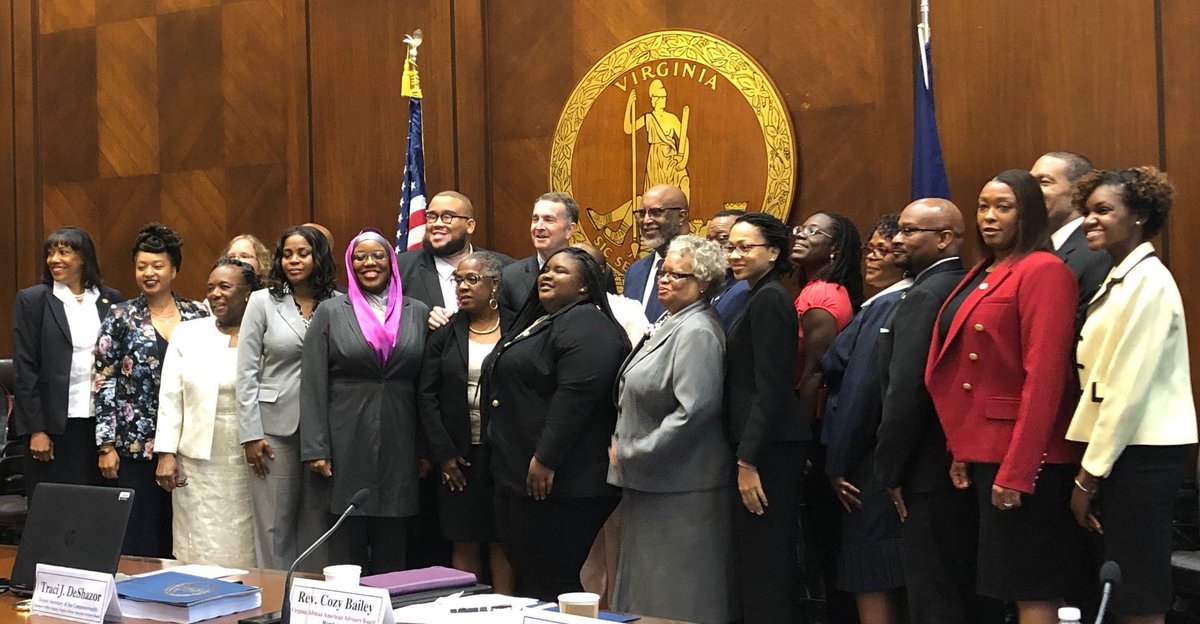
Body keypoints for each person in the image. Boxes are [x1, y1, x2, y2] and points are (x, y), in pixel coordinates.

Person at [926, 170, 1081, 624]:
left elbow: (1045, 375)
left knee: (1030, 586)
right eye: (983, 206)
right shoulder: (985, 270)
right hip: (984, 450)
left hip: (1027, 456)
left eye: (1003, 207)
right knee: (1004, 586)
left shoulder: (1043, 269)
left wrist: (1018, 470)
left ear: (1028, 212)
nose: (989, 217)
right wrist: (962, 448)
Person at [1067, 167, 1197, 623]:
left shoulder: (1149, 282)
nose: (1090, 221)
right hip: (1126, 450)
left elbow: (1124, 389)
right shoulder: (1123, 275)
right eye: (1087, 211)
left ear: (1139, 215)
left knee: (1137, 587)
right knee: (1122, 584)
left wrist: (1088, 475)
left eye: (1104, 210)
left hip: (1141, 452)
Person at [484, 247, 628, 601]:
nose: (546, 275)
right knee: (536, 578)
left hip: (563, 483)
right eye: (545, 270)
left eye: (560, 271)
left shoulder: (587, 323)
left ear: (584, 286)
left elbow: (577, 396)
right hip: (524, 479)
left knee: (557, 581)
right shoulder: (544, 321)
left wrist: (546, 456)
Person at [874, 199, 991, 624]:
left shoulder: (926, 295)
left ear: (945, 239)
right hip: (957, 463)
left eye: (909, 232)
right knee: (963, 590)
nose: (896, 241)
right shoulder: (963, 284)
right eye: (898, 230)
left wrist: (889, 471)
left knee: (935, 597)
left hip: (926, 469)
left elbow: (907, 390)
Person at [608, 235, 736, 624]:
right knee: (647, 595)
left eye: (678, 275)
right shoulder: (670, 320)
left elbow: (695, 410)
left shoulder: (697, 330)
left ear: (703, 283)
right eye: (663, 272)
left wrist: (634, 450)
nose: (665, 281)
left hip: (682, 488)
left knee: (678, 597)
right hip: (653, 483)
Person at [300, 228, 431, 573]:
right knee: (347, 539)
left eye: (377, 256)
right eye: (360, 257)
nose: (369, 263)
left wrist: (424, 447)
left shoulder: (417, 311)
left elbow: (425, 386)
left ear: (391, 262)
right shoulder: (330, 311)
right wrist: (316, 447)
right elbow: (312, 381)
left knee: (394, 537)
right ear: (350, 263)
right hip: (345, 435)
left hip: (400, 436)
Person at [94, 223, 209, 557]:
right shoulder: (120, 316)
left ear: (174, 269)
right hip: (135, 445)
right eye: (142, 266)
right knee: (141, 534)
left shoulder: (197, 315)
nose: (149, 273)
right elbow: (103, 380)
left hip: (188, 444)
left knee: (185, 533)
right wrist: (106, 445)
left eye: (157, 265)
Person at [820, 214, 911, 624]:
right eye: (870, 249)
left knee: (869, 571)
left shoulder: (889, 305)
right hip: (875, 457)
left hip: (865, 462)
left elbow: (860, 391)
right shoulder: (881, 304)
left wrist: (837, 463)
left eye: (884, 250)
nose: (872, 258)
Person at [237, 225, 338, 569]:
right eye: (287, 254)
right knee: (273, 525)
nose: (293, 260)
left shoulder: (339, 303)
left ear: (319, 257)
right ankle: (272, 608)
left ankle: (312, 606)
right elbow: (246, 370)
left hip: (325, 431)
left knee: (317, 524)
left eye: (303, 253)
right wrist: (250, 433)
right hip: (273, 429)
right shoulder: (262, 301)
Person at [722, 213, 805, 624]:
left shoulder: (771, 298)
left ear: (773, 251)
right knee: (754, 559)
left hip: (768, 451)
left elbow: (770, 386)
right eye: (731, 247)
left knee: (766, 560)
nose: (735, 255)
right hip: (758, 446)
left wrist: (747, 460)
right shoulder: (756, 294)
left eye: (745, 247)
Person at [418, 251, 514, 594]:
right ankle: (466, 611)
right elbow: (427, 396)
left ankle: (505, 613)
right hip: (458, 456)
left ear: (494, 285)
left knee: (503, 540)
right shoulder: (445, 334)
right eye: (457, 280)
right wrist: (443, 454)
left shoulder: (518, 328)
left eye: (471, 279)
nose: (462, 287)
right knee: (464, 538)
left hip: (505, 454)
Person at [154, 259, 260, 567]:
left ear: (248, 293)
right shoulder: (187, 333)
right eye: (210, 287)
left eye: (225, 287)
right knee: (199, 540)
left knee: (249, 540)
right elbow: (171, 397)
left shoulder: (265, 333)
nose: (215, 294)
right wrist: (166, 453)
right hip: (198, 460)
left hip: (251, 455)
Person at [12, 227, 122, 500]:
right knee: (57, 511)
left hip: (101, 426)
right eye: (50, 253)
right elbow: (25, 369)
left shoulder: (111, 300)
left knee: (98, 508)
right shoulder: (34, 300)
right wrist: (36, 430)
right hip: (53, 427)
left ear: (84, 258)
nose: (54, 259)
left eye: (64, 252)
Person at [790, 210, 862, 621]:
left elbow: (815, 375)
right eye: (801, 229)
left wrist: (800, 441)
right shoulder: (811, 289)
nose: (801, 235)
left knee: (825, 542)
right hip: (810, 423)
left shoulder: (823, 298)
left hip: (815, 428)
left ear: (834, 248)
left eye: (813, 232)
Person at [397, 190, 513, 327]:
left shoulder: (505, 269)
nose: (437, 224)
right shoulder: (401, 268)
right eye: (431, 216)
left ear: (469, 226)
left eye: (447, 217)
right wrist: (423, 321)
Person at [1030, 152, 1111, 312]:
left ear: (1078, 190)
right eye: (1030, 184)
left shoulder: (1095, 252)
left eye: (1044, 182)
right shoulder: (1031, 247)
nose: (1032, 191)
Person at [496, 193, 579, 321]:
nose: (539, 227)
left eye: (548, 220)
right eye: (535, 219)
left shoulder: (591, 273)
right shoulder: (509, 277)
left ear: (569, 230)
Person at [622, 185, 691, 322]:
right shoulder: (635, 272)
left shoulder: (700, 269)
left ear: (681, 216)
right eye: (642, 213)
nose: (646, 220)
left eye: (656, 212)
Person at [705, 209, 749, 330]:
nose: (712, 246)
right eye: (709, 239)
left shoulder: (746, 287)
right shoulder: (712, 282)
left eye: (722, 238)